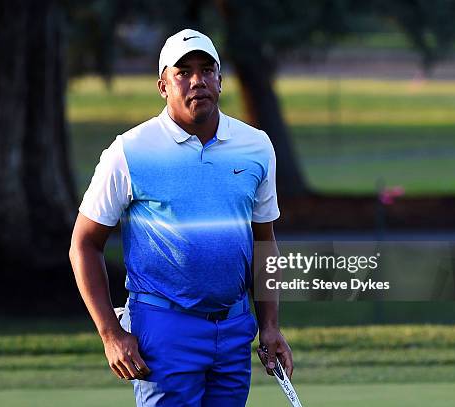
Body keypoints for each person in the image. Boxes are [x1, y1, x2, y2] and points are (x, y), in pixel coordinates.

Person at [69, 28, 293, 407]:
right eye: (183, 72)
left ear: (220, 80)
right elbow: (84, 244)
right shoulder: (130, 151)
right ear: (163, 85)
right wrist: (110, 334)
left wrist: (270, 326)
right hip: (163, 326)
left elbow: (264, 241)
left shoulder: (255, 145)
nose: (197, 81)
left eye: (207, 70)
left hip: (236, 327)